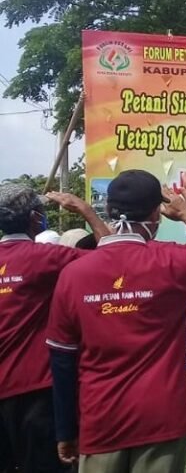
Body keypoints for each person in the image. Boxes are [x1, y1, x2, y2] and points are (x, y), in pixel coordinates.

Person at [46, 169, 186, 472]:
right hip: (162, 419)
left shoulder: (73, 274)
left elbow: (62, 359)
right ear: (156, 217)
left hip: (100, 421)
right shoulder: (172, 262)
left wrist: (65, 429)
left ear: (109, 210)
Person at [0, 183, 109, 473]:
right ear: (36, 218)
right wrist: (87, 211)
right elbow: (112, 257)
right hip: (36, 394)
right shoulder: (43, 259)